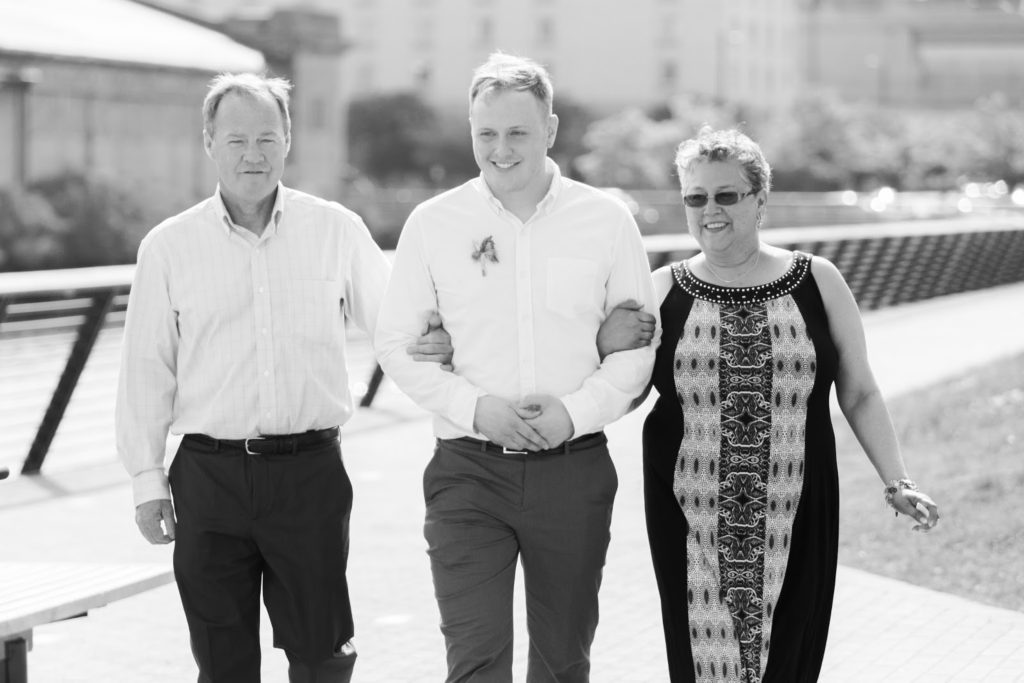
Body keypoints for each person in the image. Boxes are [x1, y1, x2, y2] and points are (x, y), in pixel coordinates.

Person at [115, 72, 450, 683]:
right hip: (207, 480)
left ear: (288, 140)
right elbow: (146, 370)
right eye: (237, 139)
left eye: (268, 137)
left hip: (309, 476)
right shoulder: (167, 247)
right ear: (210, 143)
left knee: (324, 654)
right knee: (223, 664)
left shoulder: (337, 230)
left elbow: (398, 333)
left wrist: (461, 360)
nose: (254, 154)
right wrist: (146, 479)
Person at [599, 127, 940, 682]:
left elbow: (859, 390)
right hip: (690, 516)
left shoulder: (817, 280)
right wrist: (603, 346)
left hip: (797, 511)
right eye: (695, 197)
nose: (709, 209)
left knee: (787, 662)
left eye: (726, 195)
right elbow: (625, 394)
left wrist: (897, 482)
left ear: (760, 199)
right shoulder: (662, 288)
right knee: (706, 664)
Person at [373, 53, 659, 682]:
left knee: (563, 663)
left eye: (518, 132)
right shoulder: (434, 224)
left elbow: (639, 347)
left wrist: (573, 413)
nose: (501, 150)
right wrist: (479, 410)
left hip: (574, 471)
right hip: (467, 475)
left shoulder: (606, 220)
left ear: (550, 130)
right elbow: (395, 343)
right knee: (474, 661)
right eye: (486, 134)